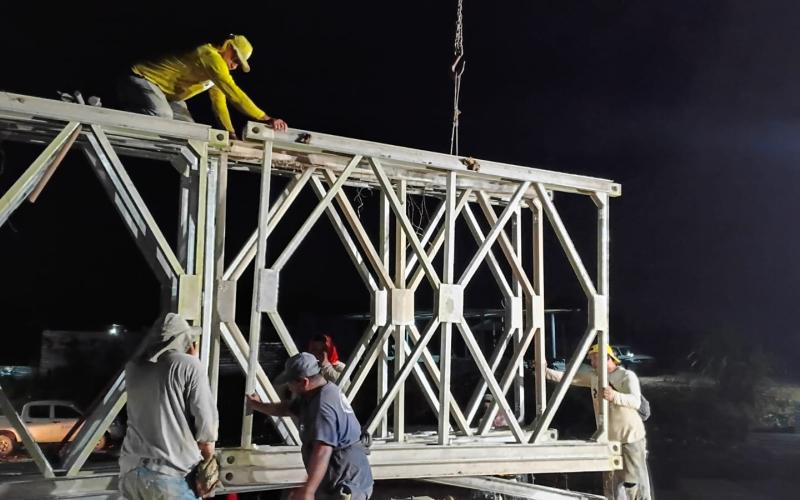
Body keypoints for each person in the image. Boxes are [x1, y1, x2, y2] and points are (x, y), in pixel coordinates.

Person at [119, 313, 219, 499]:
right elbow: (205, 424)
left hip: (131, 472)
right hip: (170, 475)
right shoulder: (189, 365)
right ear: (185, 339)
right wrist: (208, 461)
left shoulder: (133, 367)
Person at [246, 352, 373, 500]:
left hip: (346, 481)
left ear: (304, 382)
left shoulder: (323, 405)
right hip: (334, 478)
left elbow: (323, 450)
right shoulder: (315, 393)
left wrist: (308, 490)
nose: (289, 388)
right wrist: (257, 405)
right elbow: (287, 408)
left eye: (290, 383)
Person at [116, 34, 287, 138]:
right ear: (227, 46)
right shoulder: (210, 56)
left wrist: (230, 133)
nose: (234, 66)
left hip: (165, 95)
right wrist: (264, 118)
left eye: (238, 64)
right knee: (163, 115)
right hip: (140, 79)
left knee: (190, 131)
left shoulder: (215, 74)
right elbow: (234, 94)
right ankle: (114, 115)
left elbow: (220, 102)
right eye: (234, 59)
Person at [544, 344, 651, 500]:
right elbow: (567, 378)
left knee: (634, 483)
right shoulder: (595, 376)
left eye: (595, 359)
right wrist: (545, 371)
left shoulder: (627, 376)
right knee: (612, 484)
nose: (593, 363)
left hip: (630, 438)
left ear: (607, 358)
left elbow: (635, 402)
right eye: (592, 360)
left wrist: (614, 396)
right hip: (609, 439)